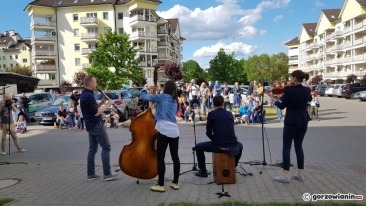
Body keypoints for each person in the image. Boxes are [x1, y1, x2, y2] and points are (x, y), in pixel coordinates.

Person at [268, 70, 312, 183]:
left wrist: (272, 98)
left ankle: (286, 176)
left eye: (291, 78)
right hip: (303, 120)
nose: (290, 80)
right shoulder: (307, 90)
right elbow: (309, 99)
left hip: (291, 121)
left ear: (296, 79)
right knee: (299, 146)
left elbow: (282, 106)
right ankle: (300, 175)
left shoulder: (290, 92)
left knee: (286, 147)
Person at [139, 80, 180, 192]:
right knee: (175, 157)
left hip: (163, 129)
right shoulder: (175, 100)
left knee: (160, 158)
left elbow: (144, 97)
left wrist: (144, 88)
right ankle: (175, 183)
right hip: (175, 130)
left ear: (165, 88)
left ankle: (161, 185)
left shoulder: (162, 97)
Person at [80, 74, 119, 181]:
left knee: (92, 149)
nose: (96, 84)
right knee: (106, 147)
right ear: (90, 83)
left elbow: (92, 109)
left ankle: (90, 174)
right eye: (95, 82)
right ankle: (107, 174)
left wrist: (102, 102)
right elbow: (96, 113)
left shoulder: (85, 94)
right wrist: (108, 105)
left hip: (90, 125)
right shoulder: (89, 96)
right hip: (96, 125)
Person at [193, 95, 243, 178]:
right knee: (240, 146)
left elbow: (208, 132)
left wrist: (215, 140)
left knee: (198, 147)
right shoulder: (229, 114)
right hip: (233, 144)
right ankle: (233, 166)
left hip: (218, 145)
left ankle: (203, 172)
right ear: (223, 103)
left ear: (213, 104)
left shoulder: (211, 114)